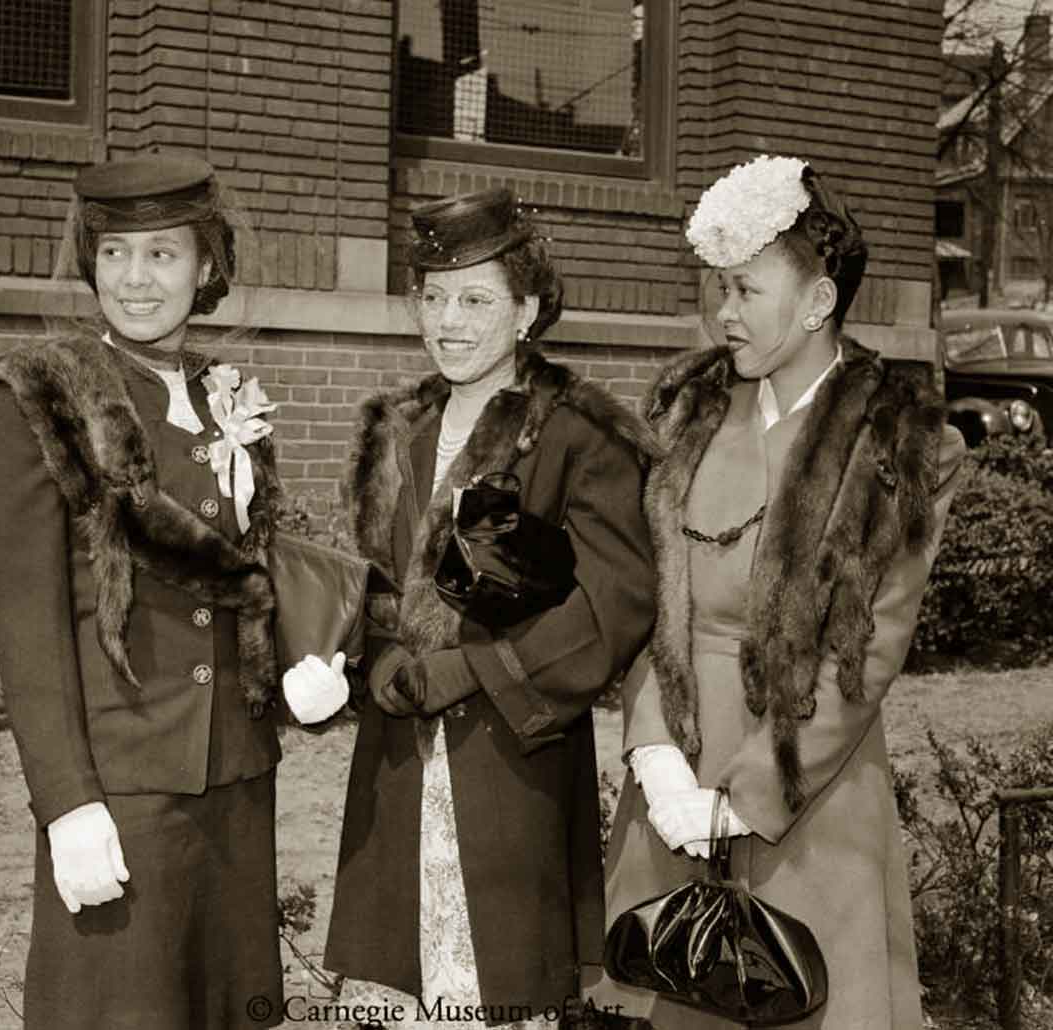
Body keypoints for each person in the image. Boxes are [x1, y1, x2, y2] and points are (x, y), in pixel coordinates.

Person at [584, 155, 966, 1028]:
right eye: (717, 290)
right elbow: (652, 603)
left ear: (818, 301)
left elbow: (867, 650)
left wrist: (747, 798)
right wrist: (655, 758)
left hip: (806, 791)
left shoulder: (900, 445)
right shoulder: (687, 415)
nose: (723, 313)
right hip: (677, 779)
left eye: (746, 291)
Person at [283, 187, 659, 1028]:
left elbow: (618, 604)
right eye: (434, 297)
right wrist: (366, 660)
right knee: (395, 987)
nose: (448, 320)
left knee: (496, 987)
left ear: (527, 310)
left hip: (511, 764)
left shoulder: (578, 434)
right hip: (397, 767)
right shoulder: (398, 429)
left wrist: (474, 670)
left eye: (476, 299)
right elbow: (379, 586)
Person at [0, 153, 284, 1029]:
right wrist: (67, 802)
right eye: (114, 253)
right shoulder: (44, 392)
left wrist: (309, 655)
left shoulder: (225, 394)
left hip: (236, 780)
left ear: (205, 267)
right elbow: (27, 622)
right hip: (124, 793)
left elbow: (253, 573)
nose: (135, 279)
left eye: (161, 254)